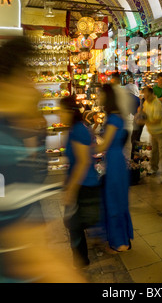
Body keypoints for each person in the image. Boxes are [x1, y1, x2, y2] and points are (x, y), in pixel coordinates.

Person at [0, 36, 86, 283]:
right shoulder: (6, 149)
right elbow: (29, 253)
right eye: (24, 76)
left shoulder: (13, 138)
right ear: (7, 83)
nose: (31, 88)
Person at [60, 95, 101, 269]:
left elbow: (83, 162)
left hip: (84, 184)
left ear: (69, 112)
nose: (59, 115)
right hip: (82, 182)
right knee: (76, 224)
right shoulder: (77, 129)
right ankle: (82, 259)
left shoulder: (78, 130)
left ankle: (81, 262)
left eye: (61, 111)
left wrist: (71, 190)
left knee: (73, 224)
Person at [95, 84, 133, 253]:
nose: (98, 97)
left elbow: (104, 145)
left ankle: (120, 243)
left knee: (113, 201)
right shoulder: (117, 117)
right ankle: (124, 239)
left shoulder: (112, 119)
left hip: (114, 162)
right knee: (119, 200)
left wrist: (85, 147)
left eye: (100, 94)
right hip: (117, 160)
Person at [141, 86, 162, 183]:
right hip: (153, 132)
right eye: (144, 95)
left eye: (147, 95)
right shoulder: (146, 102)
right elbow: (144, 113)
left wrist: (144, 121)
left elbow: (157, 120)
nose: (145, 97)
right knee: (154, 151)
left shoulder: (157, 104)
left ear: (152, 94)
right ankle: (154, 168)